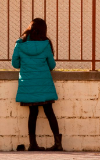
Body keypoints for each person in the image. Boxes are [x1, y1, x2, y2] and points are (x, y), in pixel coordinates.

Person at [12, 18, 63, 151]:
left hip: (28, 84)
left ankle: (33, 144)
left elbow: (15, 64)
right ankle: (58, 144)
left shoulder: (20, 43)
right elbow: (52, 65)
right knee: (49, 111)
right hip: (44, 83)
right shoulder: (45, 44)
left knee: (33, 113)